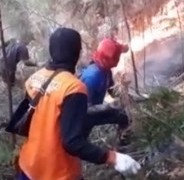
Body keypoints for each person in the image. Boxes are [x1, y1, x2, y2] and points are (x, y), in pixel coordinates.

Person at [17, 28, 140, 180]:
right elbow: (72, 142)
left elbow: (27, 123)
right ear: (78, 53)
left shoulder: (34, 78)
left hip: (28, 165)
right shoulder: (74, 87)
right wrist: (112, 157)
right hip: (57, 172)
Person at [79, 38, 131, 145]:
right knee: (79, 143)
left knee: (123, 116)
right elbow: (85, 109)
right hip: (82, 119)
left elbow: (113, 91)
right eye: (116, 56)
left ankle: (124, 143)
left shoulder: (105, 71)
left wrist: (126, 96)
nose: (118, 58)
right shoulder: (92, 77)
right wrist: (108, 107)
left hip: (93, 112)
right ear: (109, 58)